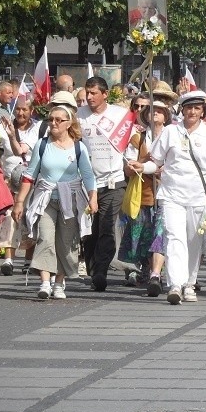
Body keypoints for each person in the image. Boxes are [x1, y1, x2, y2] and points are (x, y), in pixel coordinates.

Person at [130, 91, 206, 304]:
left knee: (194, 241)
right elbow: (155, 162)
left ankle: (190, 283)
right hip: (172, 195)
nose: (192, 112)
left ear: (203, 111)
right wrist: (142, 167)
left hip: (201, 197)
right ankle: (175, 284)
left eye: (197, 108)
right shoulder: (170, 132)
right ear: (181, 110)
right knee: (174, 238)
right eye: (188, 108)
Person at [13, 106, 98, 299]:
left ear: (69, 124)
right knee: (45, 237)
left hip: (71, 200)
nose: (53, 123)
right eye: (51, 119)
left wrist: (93, 198)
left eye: (59, 120)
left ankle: (59, 283)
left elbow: (88, 175)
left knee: (66, 243)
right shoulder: (42, 145)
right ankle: (45, 282)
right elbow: (29, 175)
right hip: (46, 199)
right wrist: (19, 202)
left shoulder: (79, 147)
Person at [77, 76, 129, 292]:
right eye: (87, 93)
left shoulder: (120, 115)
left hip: (113, 181)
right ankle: (92, 266)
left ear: (105, 94)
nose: (89, 97)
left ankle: (101, 271)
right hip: (87, 183)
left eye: (94, 93)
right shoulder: (78, 116)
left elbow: (132, 142)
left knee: (106, 227)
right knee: (90, 230)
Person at [120, 99, 168, 292]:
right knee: (142, 235)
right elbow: (128, 169)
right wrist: (143, 162)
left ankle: (157, 273)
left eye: (159, 111)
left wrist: (164, 171)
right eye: (151, 110)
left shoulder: (173, 136)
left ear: (166, 115)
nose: (154, 113)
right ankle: (145, 268)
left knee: (161, 232)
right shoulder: (138, 139)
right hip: (143, 194)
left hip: (167, 194)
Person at [0, 97, 41, 275]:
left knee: (30, 218)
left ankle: (28, 260)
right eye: (18, 109)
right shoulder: (0, 128)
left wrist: (13, 137)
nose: (21, 113)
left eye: (25, 109)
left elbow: (22, 150)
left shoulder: (38, 128)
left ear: (31, 111)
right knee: (9, 218)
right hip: (8, 179)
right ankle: (9, 259)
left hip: (32, 180)